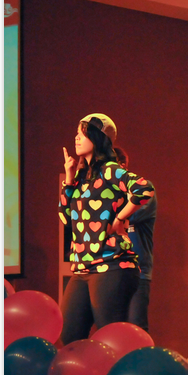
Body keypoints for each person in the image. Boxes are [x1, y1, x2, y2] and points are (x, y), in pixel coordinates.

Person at [58, 113, 154, 344]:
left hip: (112, 264)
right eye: (77, 133)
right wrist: (69, 178)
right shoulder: (80, 177)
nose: (76, 138)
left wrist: (120, 217)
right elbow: (65, 217)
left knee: (109, 337)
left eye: (82, 133)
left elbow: (144, 188)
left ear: (97, 137)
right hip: (82, 268)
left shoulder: (110, 170)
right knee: (69, 336)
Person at [114, 147, 157, 332]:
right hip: (110, 272)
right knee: (112, 329)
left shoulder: (142, 191)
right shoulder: (105, 196)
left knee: (135, 328)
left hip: (137, 272)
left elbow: (129, 215)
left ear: (122, 166)